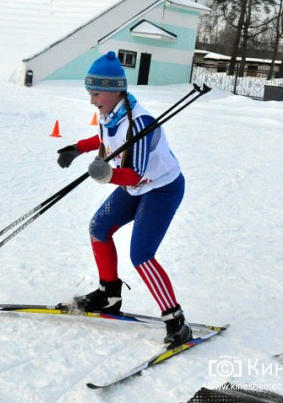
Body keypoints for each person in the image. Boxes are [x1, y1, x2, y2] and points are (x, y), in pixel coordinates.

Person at [56, 51, 192, 347]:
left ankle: (176, 320)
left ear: (113, 89)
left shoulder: (139, 122)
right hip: (135, 187)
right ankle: (109, 294)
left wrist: (106, 176)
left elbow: (135, 174)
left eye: (95, 93)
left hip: (161, 189)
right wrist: (76, 148)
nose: (92, 100)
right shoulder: (111, 112)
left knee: (141, 255)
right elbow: (105, 138)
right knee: (98, 228)